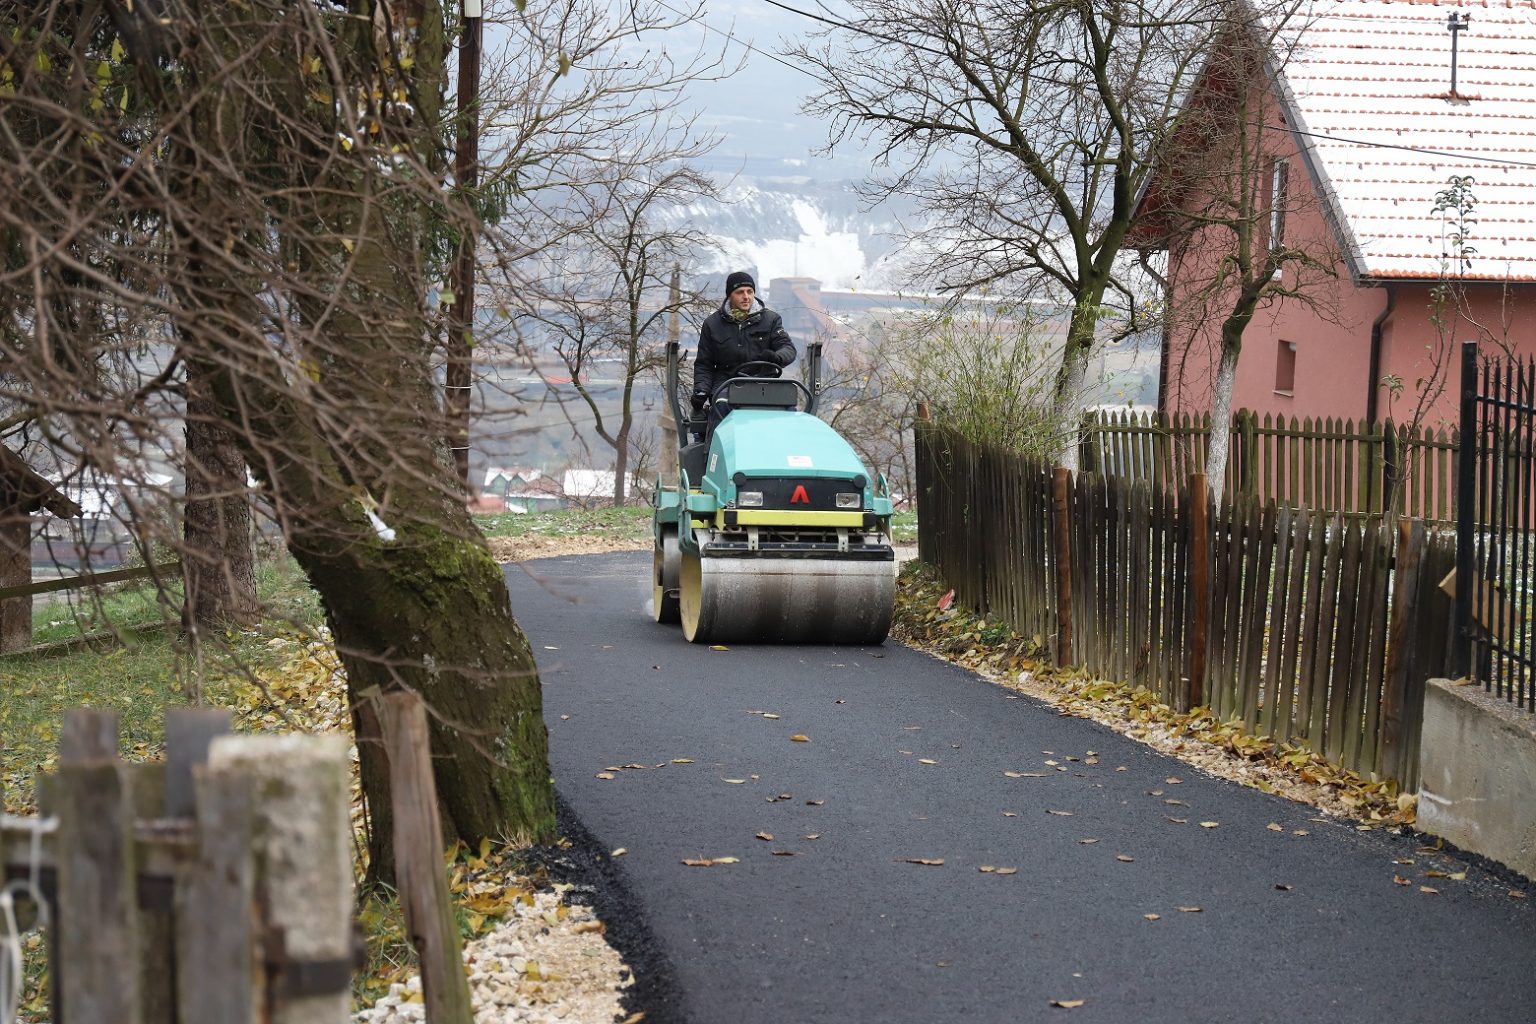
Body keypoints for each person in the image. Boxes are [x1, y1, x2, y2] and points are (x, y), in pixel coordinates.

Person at [691, 271, 796, 439]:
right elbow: (705, 363)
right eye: (740, 292)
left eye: (750, 291)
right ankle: (716, 455)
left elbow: (788, 348)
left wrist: (777, 357)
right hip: (727, 382)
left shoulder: (771, 320)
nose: (746, 297)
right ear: (729, 296)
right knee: (721, 405)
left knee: (789, 408)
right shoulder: (713, 324)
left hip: (764, 382)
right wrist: (701, 389)